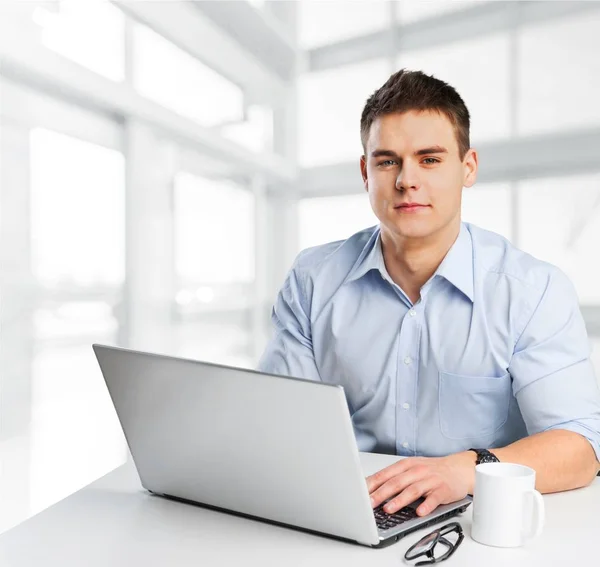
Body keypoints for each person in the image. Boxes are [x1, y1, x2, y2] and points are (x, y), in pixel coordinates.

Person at [258, 69, 600, 518]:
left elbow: (579, 448)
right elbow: (278, 422)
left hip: (476, 519)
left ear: (468, 167)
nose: (406, 180)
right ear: (366, 172)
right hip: (346, 510)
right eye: (387, 161)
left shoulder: (531, 290)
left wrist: (468, 470)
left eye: (430, 159)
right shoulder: (312, 279)